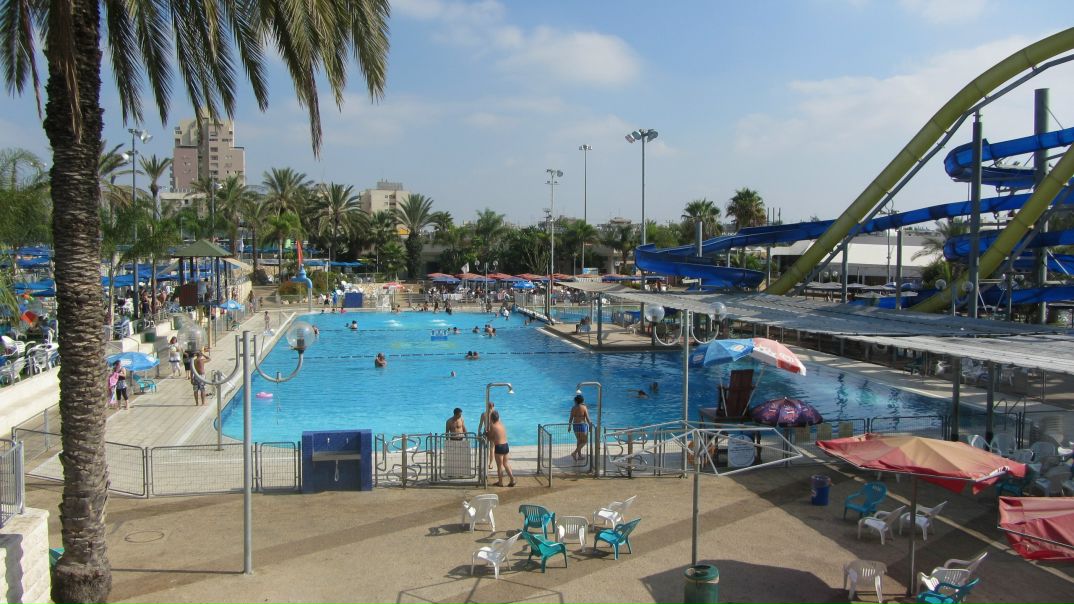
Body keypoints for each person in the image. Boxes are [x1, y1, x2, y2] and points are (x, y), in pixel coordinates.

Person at [487, 410, 515, 487]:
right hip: (506, 445)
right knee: (506, 464)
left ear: (491, 418)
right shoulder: (502, 424)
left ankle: (500, 482)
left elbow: (490, 437)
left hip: (499, 447)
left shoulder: (493, 426)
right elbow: (496, 436)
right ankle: (512, 479)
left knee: (499, 466)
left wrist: (486, 434)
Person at [568, 394, 591, 461]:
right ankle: (574, 453)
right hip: (582, 425)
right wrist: (590, 425)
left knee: (579, 440)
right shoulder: (584, 407)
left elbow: (571, 418)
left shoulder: (573, 408)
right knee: (585, 441)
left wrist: (569, 426)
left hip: (575, 425)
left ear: (576, 401)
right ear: (582, 401)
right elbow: (587, 418)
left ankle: (579, 456)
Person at [478, 400, 496, 470]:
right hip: (486, 432)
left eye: (491, 406)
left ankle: (490, 463)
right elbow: (480, 424)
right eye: (489, 406)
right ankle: (485, 463)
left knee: (491, 448)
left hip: (492, 432)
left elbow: (497, 424)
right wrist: (479, 432)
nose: (490, 408)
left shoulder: (494, 414)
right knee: (486, 449)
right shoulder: (484, 414)